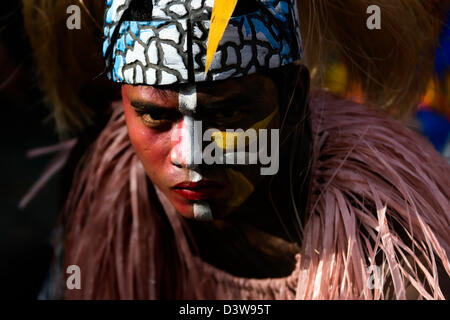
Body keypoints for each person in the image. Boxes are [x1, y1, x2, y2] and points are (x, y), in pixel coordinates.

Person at [23, 0, 449, 300]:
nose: (190, 154)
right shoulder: (106, 189)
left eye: (225, 114)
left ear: (294, 98)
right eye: (155, 116)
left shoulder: (389, 234)